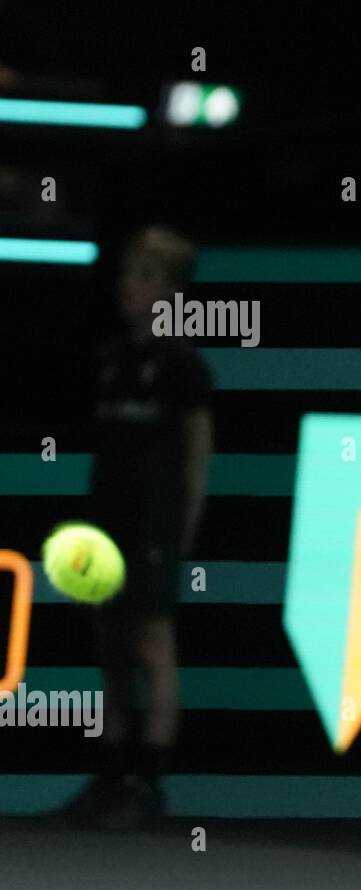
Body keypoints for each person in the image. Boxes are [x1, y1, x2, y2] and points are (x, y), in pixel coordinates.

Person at [51, 225, 214, 830]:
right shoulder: (111, 360)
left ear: (172, 292)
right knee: (110, 650)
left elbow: (198, 454)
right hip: (106, 525)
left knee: (152, 647)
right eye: (127, 274)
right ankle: (110, 776)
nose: (130, 286)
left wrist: (184, 527)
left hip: (153, 525)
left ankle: (149, 785)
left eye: (146, 277)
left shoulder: (183, 365)